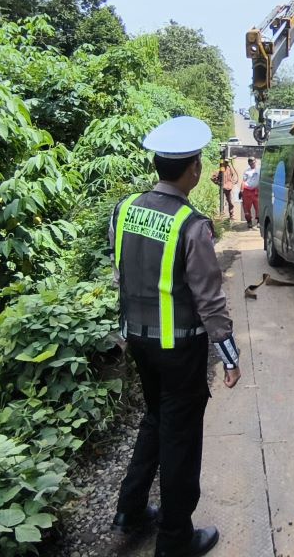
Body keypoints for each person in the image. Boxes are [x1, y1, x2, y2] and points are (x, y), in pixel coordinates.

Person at [109, 115, 241, 557]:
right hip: (180, 350)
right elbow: (210, 299)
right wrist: (228, 354)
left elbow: (122, 275)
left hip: (139, 343)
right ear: (194, 170)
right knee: (180, 438)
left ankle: (129, 509)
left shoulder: (124, 210)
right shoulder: (191, 224)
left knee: (155, 419)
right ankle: (174, 540)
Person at [240, 157, 260, 229]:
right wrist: (241, 191)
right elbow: (243, 181)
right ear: (248, 163)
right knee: (246, 208)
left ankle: (259, 221)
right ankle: (249, 221)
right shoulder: (246, 171)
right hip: (247, 191)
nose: (251, 163)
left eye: (253, 161)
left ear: (255, 161)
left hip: (256, 191)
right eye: (250, 161)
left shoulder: (259, 170)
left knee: (258, 207)